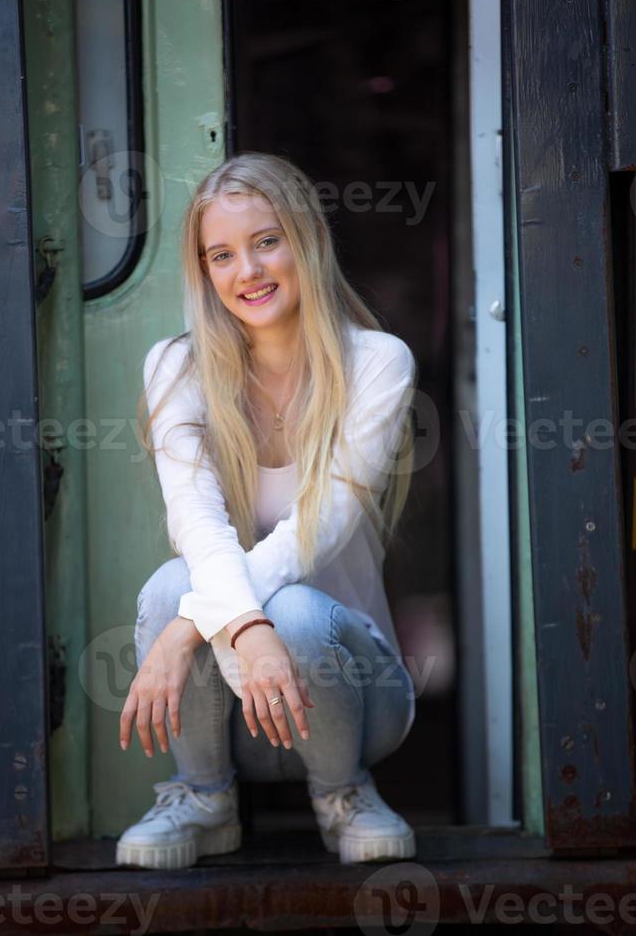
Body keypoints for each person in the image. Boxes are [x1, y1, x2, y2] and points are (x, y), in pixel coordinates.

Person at [116, 151, 419, 869]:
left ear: (305, 240)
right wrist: (238, 629)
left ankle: (344, 793)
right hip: (234, 717)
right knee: (169, 583)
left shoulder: (376, 362)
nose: (246, 271)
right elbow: (195, 520)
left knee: (293, 613)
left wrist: (192, 627)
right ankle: (204, 798)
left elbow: (318, 527)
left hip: (354, 700)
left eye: (265, 242)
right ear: (205, 273)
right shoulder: (176, 366)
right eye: (221, 255)